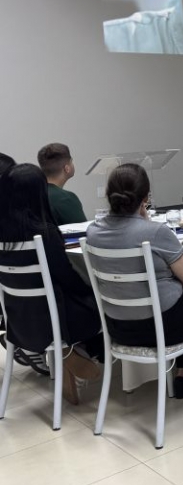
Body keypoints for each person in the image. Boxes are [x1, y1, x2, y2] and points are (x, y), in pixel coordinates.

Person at [86, 163, 183, 403]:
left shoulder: (93, 232)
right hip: (163, 329)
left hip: (118, 328)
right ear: (145, 197)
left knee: (178, 297)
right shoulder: (155, 232)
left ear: (109, 194)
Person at [0, 164, 103, 405]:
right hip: (54, 319)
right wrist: (92, 290)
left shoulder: (4, 234)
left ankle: (69, 354)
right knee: (100, 302)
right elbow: (67, 278)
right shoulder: (43, 233)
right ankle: (79, 353)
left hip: (17, 319)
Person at [37, 143, 86, 225]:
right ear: (67, 168)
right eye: (71, 162)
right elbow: (82, 230)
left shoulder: (32, 194)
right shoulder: (66, 199)